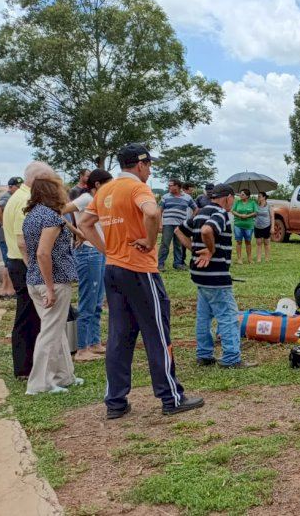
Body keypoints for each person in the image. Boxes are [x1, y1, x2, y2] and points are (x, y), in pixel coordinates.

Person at [79, 143, 203, 419]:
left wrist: (107, 250)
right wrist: (148, 240)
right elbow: (151, 212)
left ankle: (115, 402)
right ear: (140, 165)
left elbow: (86, 223)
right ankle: (171, 397)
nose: (150, 171)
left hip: (113, 269)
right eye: (149, 166)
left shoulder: (105, 190)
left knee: (119, 336)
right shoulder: (138, 188)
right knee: (157, 331)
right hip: (139, 269)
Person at [176, 184, 257, 369]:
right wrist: (210, 250)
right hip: (216, 276)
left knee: (203, 316)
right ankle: (231, 358)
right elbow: (206, 231)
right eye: (233, 199)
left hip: (200, 275)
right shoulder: (220, 214)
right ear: (228, 197)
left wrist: (194, 250)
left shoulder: (201, 212)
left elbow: (179, 231)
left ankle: (204, 354)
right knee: (228, 316)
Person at [22, 175, 83, 395]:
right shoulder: (50, 218)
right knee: (50, 332)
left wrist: (76, 232)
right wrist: (49, 287)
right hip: (53, 282)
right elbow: (42, 253)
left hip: (35, 280)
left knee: (55, 330)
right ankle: (40, 384)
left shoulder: (33, 215)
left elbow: (26, 246)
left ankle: (64, 375)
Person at [3, 161, 53, 379]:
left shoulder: (19, 197)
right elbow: (24, 242)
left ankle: (29, 364)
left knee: (30, 315)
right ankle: (25, 367)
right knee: (28, 316)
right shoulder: (26, 200)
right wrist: (36, 270)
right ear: (38, 179)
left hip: (18, 262)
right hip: (24, 264)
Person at [62, 169, 113, 362]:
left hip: (98, 253)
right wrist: (77, 232)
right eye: (108, 183)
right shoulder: (85, 199)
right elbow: (60, 213)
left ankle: (94, 342)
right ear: (98, 185)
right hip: (88, 253)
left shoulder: (103, 200)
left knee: (98, 300)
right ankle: (82, 348)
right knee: (88, 301)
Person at [0, 177, 22, 300]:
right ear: (11, 187)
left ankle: (6, 290)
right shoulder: (7, 197)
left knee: (8, 262)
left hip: (5, 235)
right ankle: (8, 290)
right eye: (18, 186)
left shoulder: (12, 197)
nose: (20, 188)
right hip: (4, 236)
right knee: (9, 262)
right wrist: (5, 223)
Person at [157, 178, 196, 271]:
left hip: (180, 225)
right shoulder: (165, 197)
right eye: (169, 185)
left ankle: (177, 264)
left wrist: (191, 220)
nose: (168, 187)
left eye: (171, 185)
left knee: (178, 245)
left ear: (178, 186)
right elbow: (159, 211)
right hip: (168, 224)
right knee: (165, 244)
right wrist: (160, 224)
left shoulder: (187, 197)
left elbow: (196, 208)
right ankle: (160, 264)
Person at [230, 188, 257, 265]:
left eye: (243, 194)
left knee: (248, 241)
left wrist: (247, 216)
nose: (241, 196)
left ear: (247, 196)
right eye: (240, 194)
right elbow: (232, 211)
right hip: (238, 224)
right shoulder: (237, 202)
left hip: (249, 225)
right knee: (238, 241)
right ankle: (239, 259)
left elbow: (256, 213)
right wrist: (240, 215)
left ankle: (249, 258)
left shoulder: (252, 203)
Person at [253, 192, 273, 263]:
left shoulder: (269, 206)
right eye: (258, 196)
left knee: (266, 242)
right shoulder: (255, 205)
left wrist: (272, 227)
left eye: (259, 196)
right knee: (258, 243)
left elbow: (272, 217)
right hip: (257, 226)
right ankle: (259, 258)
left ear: (264, 197)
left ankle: (267, 258)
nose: (258, 198)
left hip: (266, 226)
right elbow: (254, 215)